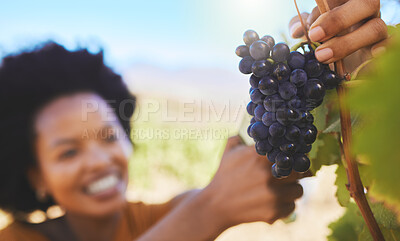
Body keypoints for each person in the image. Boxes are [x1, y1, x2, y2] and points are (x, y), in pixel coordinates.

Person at [0, 43, 303, 241]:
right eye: (68, 152)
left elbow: (210, 195)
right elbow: (208, 202)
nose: (100, 160)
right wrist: (210, 210)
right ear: (36, 175)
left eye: (108, 137)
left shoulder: (153, 217)